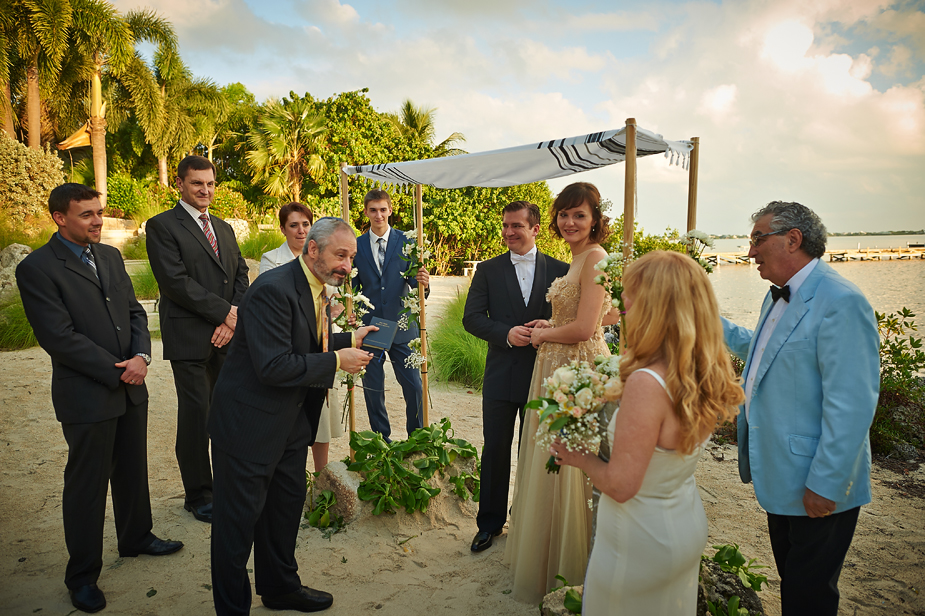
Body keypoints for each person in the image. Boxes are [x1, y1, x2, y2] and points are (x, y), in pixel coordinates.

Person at [16, 184, 183, 614]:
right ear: (59, 218)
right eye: (87, 214)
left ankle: (136, 537)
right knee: (86, 487)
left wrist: (142, 357)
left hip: (133, 383)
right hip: (87, 395)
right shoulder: (37, 268)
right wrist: (119, 368)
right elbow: (59, 338)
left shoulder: (108, 256)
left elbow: (134, 311)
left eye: (100, 212)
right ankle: (83, 575)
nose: (97, 221)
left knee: (132, 469)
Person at [553, 250, 744, 614]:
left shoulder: (648, 382)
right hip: (683, 521)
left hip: (638, 536)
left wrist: (578, 456)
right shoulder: (698, 371)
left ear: (655, 306)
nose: (622, 305)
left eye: (629, 297)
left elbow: (622, 486)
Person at [208, 217, 377, 615]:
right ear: (313, 249)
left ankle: (279, 587)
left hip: (288, 424)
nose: (347, 266)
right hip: (248, 427)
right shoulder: (272, 288)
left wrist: (346, 340)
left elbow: (301, 343)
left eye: (351, 257)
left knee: (283, 510)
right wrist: (337, 359)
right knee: (237, 527)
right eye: (341, 255)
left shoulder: (316, 287)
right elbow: (274, 366)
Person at [722, 201, 879, 615]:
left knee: (809, 597)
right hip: (781, 475)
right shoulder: (775, 298)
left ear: (793, 239)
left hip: (818, 481)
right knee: (795, 585)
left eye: (758, 238)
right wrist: (704, 320)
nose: (750, 251)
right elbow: (762, 350)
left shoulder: (841, 301)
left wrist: (826, 483)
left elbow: (852, 404)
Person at [503, 182, 616, 603]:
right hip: (557, 364)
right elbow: (592, 313)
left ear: (594, 220)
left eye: (579, 215)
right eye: (564, 214)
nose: (569, 222)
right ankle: (547, 555)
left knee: (572, 464)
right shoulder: (577, 259)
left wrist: (539, 338)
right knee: (552, 457)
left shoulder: (597, 257)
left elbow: (588, 329)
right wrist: (548, 327)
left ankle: (572, 564)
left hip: (578, 370)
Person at [146, 155, 250, 524]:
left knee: (228, 413)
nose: (205, 190)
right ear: (179, 184)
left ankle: (227, 485)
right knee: (196, 416)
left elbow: (240, 274)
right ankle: (199, 494)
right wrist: (225, 313)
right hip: (189, 338)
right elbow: (175, 283)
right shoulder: (161, 226)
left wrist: (233, 317)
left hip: (228, 336)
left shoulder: (223, 227)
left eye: (210, 184)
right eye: (196, 184)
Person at [462, 201, 569, 553]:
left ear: (535, 228)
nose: (508, 232)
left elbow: (572, 320)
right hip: (500, 375)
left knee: (534, 452)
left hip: (544, 376)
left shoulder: (562, 270)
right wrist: (506, 333)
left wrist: (550, 328)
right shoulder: (488, 270)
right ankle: (489, 524)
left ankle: (525, 520)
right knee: (494, 449)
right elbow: (472, 318)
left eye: (516, 226)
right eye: (505, 226)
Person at [258, 202, 344, 471]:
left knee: (322, 417)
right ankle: (291, 474)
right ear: (282, 228)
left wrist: (339, 313)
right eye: (293, 225)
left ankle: (321, 477)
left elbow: (335, 300)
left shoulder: (325, 257)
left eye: (305, 224)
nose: (300, 230)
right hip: (292, 347)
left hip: (322, 343)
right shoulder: (272, 260)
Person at [352, 189, 430, 441]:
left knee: (415, 386)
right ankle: (381, 440)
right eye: (373, 210)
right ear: (366, 212)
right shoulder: (357, 244)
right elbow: (352, 287)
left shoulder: (407, 242)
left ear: (390, 210)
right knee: (373, 388)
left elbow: (416, 287)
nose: (378, 215)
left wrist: (424, 284)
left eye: (383, 209)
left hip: (402, 324)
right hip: (372, 326)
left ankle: (416, 438)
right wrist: (349, 308)